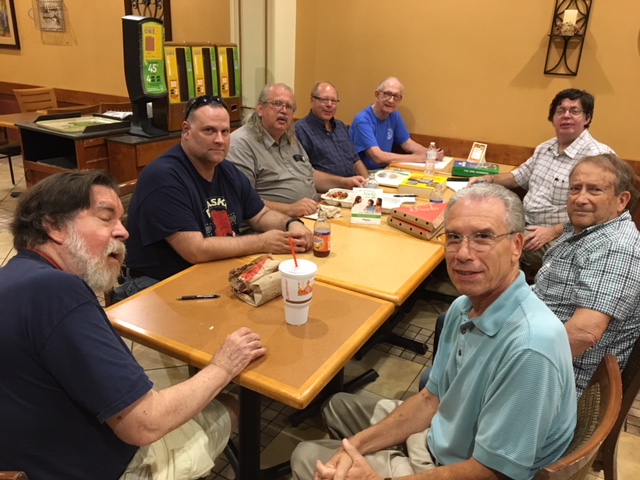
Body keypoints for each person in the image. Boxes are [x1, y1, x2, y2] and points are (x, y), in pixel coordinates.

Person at [291, 184, 577, 480]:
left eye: (483, 237)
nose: (463, 253)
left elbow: (494, 472)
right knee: (335, 406)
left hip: (465, 467)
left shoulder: (531, 347)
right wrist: (355, 447)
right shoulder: (463, 307)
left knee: (305, 456)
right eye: (453, 237)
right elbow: (432, 399)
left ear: (517, 245)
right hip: (439, 436)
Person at [0, 171, 266, 479]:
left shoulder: (14, 277)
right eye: (106, 218)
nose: (124, 232)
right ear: (54, 226)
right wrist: (224, 366)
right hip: (98, 469)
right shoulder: (57, 291)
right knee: (230, 403)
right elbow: (145, 423)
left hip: (28, 458)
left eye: (121, 220)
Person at [121, 95, 313, 293]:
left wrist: (292, 224)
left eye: (225, 131)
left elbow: (261, 215)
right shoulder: (163, 177)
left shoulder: (227, 170)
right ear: (186, 131)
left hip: (214, 271)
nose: (219, 140)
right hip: (158, 284)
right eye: (209, 130)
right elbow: (195, 250)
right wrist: (262, 242)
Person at [534, 153, 640, 397]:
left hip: (557, 378)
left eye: (595, 190)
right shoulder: (588, 229)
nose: (581, 199)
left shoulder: (617, 248)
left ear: (621, 200)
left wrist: (510, 356)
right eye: (575, 189)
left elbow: (583, 334)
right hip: (540, 345)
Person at [470, 88, 614, 265]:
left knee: (490, 243)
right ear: (552, 119)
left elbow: (602, 214)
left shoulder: (597, 156)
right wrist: (490, 179)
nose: (566, 116)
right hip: (524, 222)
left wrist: (553, 231)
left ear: (587, 118)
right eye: (560, 111)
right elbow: (517, 177)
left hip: (565, 236)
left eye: (574, 111)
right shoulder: (545, 148)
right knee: (475, 225)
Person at [228, 83, 319, 217]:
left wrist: (344, 182)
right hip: (271, 223)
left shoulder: (289, 138)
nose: (284, 111)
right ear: (260, 109)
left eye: (289, 107)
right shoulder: (241, 144)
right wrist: (290, 209)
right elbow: (242, 199)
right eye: (277, 104)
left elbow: (310, 174)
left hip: (311, 215)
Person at [350, 77, 444, 170]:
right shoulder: (362, 120)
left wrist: (431, 153)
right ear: (377, 95)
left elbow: (408, 144)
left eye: (396, 96)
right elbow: (378, 157)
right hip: (365, 173)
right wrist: (417, 158)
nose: (391, 100)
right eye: (387, 94)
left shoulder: (394, 115)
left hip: (386, 169)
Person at [295, 82, 369, 191]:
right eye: (324, 100)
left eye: (333, 101)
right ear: (312, 100)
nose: (329, 105)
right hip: (328, 194)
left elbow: (355, 160)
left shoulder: (341, 126)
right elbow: (305, 173)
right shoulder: (300, 130)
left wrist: (369, 184)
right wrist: (345, 183)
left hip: (354, 190)